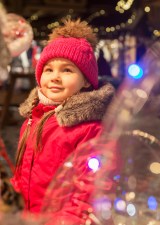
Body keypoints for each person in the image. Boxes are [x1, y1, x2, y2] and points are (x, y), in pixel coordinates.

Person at [10, 19, 115, 224]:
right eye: (48, 69)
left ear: (86, 80)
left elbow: (92, 190)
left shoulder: (91, 130)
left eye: (67, 70)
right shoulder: (32, 120)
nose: (55, 77)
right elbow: (23, 177)